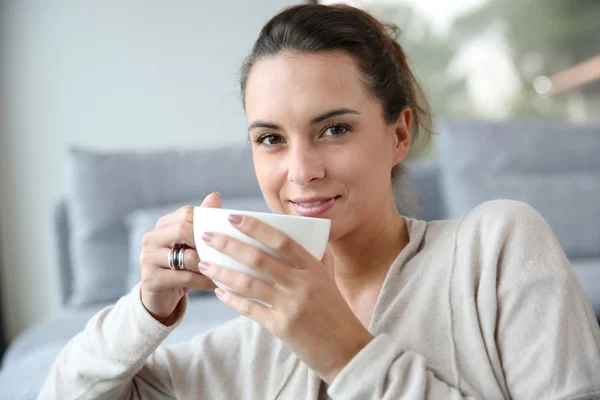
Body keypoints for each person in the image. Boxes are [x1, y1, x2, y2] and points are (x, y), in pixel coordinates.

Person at [39, 4, 600, 399]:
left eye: (333, 129)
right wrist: (146, 310)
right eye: (270, 139)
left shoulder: (497, 248)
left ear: (399, 135)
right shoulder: (245, 346)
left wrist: (346, 353)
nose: (301, 171)